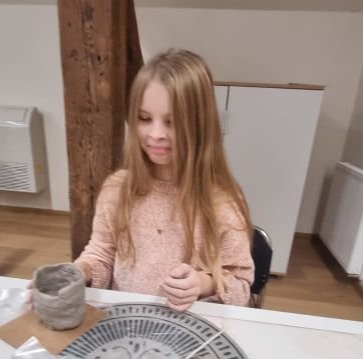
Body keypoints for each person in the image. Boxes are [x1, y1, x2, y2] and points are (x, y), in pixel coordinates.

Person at [73, 49, 254, 311]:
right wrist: (79, 271)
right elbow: (100, 254)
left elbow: (241, 287)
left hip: (188, 327)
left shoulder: (223, 204)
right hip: (125, 322)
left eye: (172, 122)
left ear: (200, 126)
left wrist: (205, 284)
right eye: (144, 118)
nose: (156, 133)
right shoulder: (117, 190)